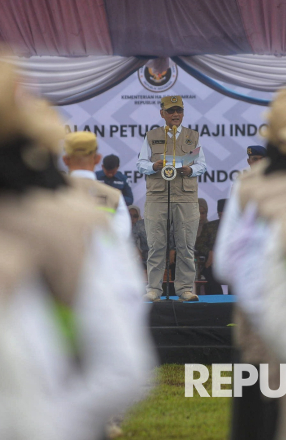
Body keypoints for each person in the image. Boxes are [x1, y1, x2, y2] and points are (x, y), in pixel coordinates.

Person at [137, 95, 207, 302]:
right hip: (158, 196)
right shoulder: (151, 136)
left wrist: (190, 169)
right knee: (156, 244)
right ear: (162, 113)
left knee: (186, 245)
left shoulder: (193, 136)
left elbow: (202, 165)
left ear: (183, 113)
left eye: (179, 111)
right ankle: (153, 289)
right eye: (171, 111)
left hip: (185, 196)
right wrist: (153, 166)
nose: (175, 114)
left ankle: (185, 289)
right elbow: (140, 163)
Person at [65, 131, 132, 239]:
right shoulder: (115, 197)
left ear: (65, 160)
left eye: (113, 171)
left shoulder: (54, 192)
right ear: (97, 159)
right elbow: (120, 239)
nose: (110, 174)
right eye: (107, 171)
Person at [195, 199, 226, 295]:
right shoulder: (210, 227)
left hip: (233, 263)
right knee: (211, 276)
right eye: (221, 215)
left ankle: (234, 304)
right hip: (213, 263)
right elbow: (199, 244)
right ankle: (217, 303)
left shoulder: (239, 227)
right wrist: (210, 252)